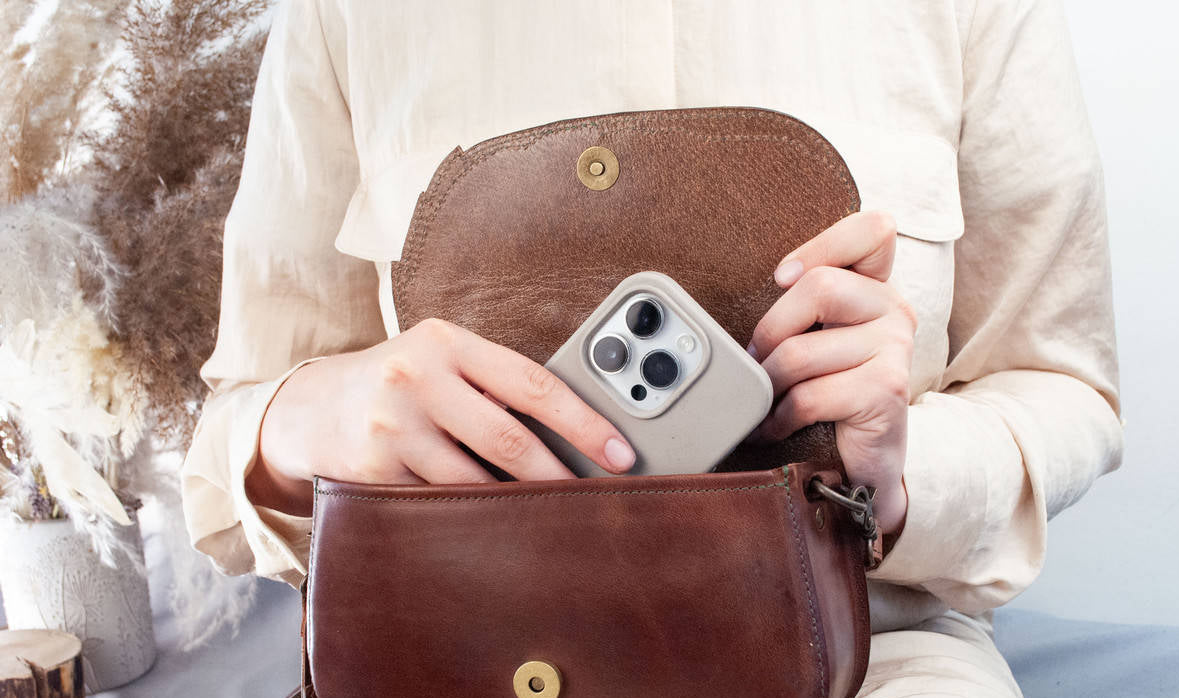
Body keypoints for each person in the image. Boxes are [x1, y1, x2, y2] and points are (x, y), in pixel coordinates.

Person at [180, 1, 1123, 695]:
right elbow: (228, 450)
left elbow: (1064, 385)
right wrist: (314, 415)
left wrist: (897, 484)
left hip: (872, 654)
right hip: (458, 647)